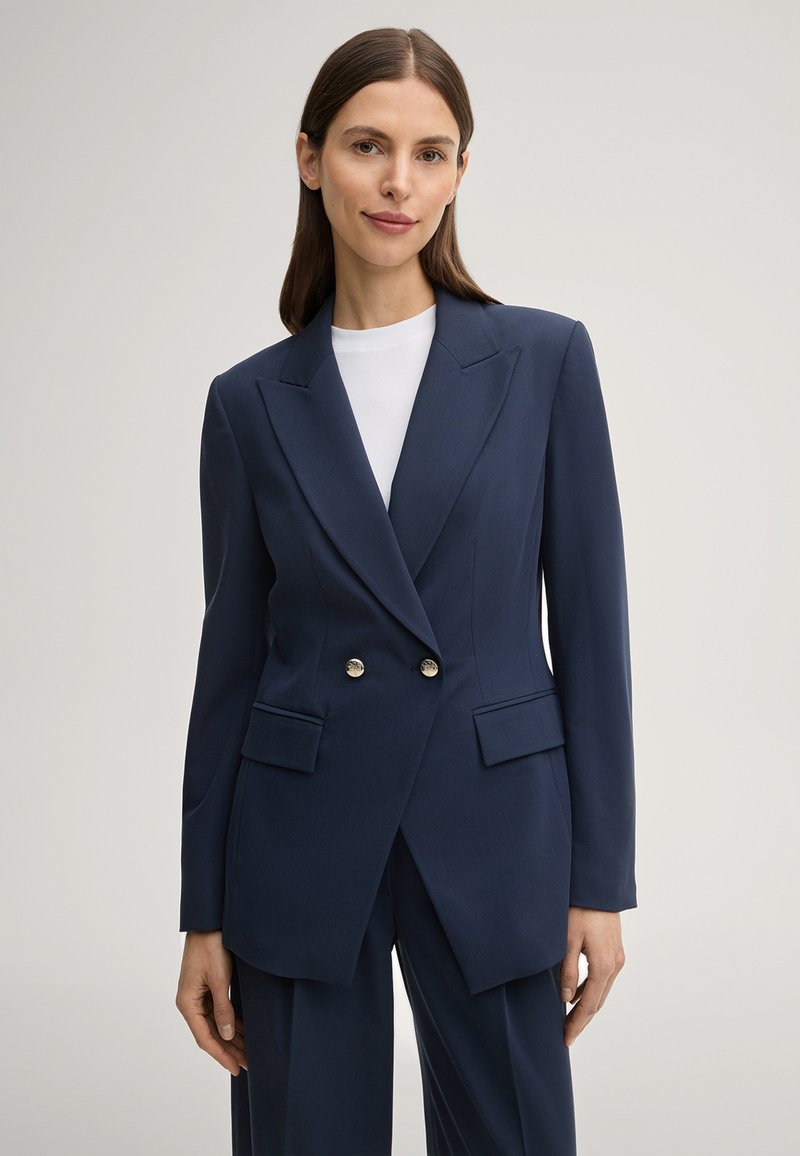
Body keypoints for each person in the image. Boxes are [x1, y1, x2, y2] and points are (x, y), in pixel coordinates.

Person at [175, 25, 637, 1156]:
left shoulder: (542, 361)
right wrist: (203, 912)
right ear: (308, 157)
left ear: (460, 172)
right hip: (299, 834)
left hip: (492, 823)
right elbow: (229, 664)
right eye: (366, 145)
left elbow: (593, 634)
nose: (398, 182)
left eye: (431, 153)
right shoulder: (249, 402)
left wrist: (599, 879)